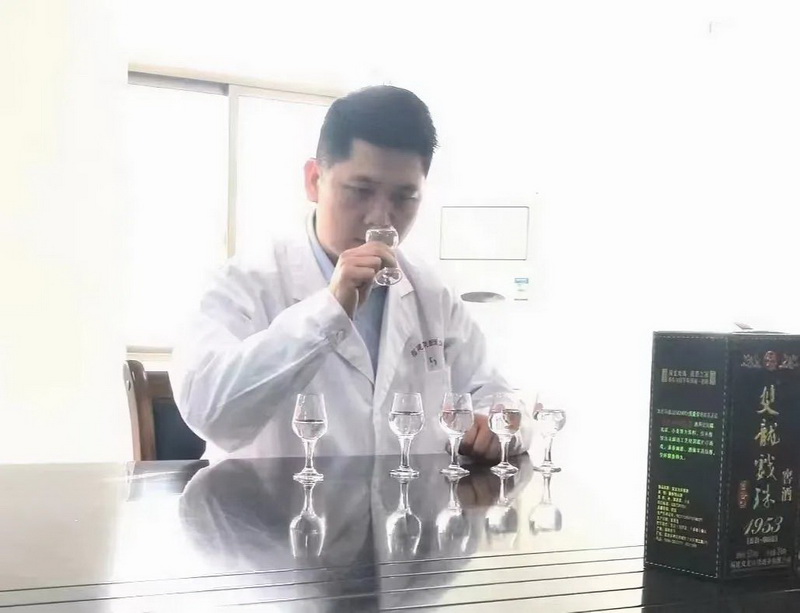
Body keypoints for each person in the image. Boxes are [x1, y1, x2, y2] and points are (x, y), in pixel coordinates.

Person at [171, 85, 533, 460]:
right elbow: (208, 411)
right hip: (273, 499)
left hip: (406, 498)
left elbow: (496, 394)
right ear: (314, 180)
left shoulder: (430, 291)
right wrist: (328, 311)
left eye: (404, 197)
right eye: (360, 190)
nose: (381, 218)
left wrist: (497, 424)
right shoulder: (246, 281)